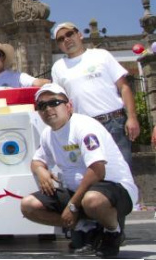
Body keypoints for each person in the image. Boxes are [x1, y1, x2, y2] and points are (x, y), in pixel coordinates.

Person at [20, 84, 137, 258]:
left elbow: (98, 171)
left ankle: (113, 231)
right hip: (78, 193)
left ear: (69, 106)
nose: (48, 109)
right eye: (42, 106)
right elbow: (37, 160)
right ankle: (84, 227)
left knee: (93, 201)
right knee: (28, 205)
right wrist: (41, 170)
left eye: (54, 102)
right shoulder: (48, 134)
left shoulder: (84, 127)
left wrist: (72, 206)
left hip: (113, 189)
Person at [51, 22, 139, 170]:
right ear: (58, 45)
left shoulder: (101, 55)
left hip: (114, 123)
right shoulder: (58, 68)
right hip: (85, 127)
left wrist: (132, 117)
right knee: (94, 174)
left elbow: (124, 87)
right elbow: (60, 102)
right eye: (60, 39)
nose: (66, 39)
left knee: (122, 171)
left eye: (69, 34)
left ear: (79, 34)